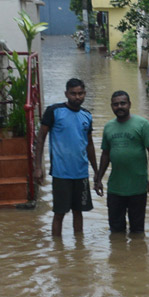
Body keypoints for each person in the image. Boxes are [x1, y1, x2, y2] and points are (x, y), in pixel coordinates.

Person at [36, 78, 99, 238]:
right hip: (61, 173)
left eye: (80, 93)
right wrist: (38, 167)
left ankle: (79, 248)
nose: (77, 97)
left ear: (84, 94)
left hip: (81, 173)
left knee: (79, 212)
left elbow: (89, 144)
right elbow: (41, 138)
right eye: (73, 94)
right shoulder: (54, 111)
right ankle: (58, 250)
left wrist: (96, 171)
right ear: (66, 94)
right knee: (59, 213)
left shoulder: (87, 115)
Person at [95, 91, 149, 235]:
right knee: (116, 232)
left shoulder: (142, 124)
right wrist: (98, 178)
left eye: (123, 103)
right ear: (112, 106)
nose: (119, 107)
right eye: (116, 104)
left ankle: (137, 256)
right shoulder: (108, 127)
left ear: (129, 104)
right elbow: (105, 155)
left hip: (138, 187)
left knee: (137, 231)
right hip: (115, 188)